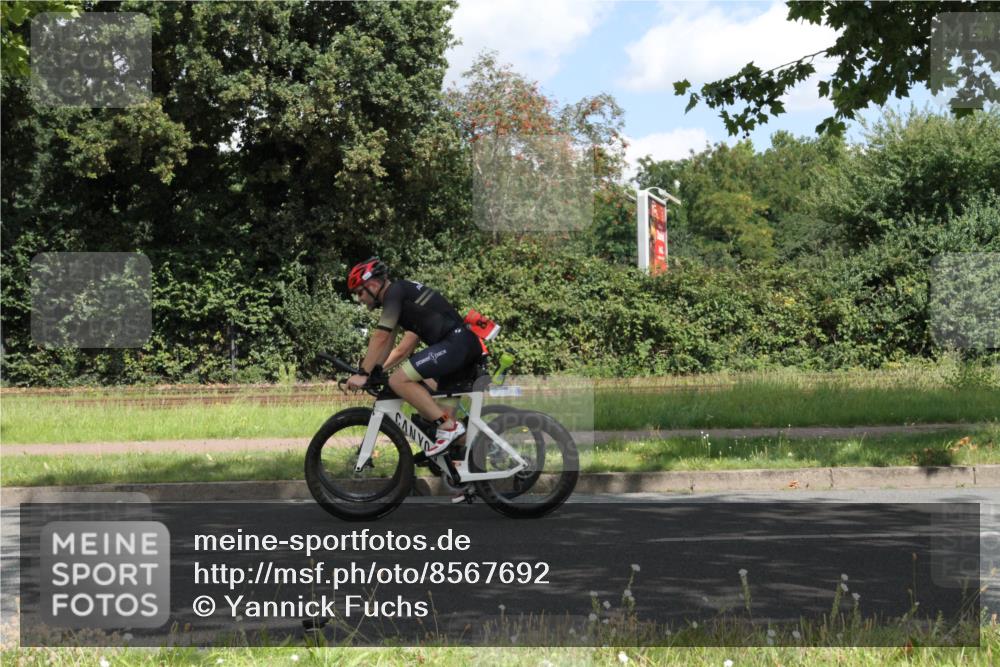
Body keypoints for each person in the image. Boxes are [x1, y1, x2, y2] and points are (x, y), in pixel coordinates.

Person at [344, 257, 484, 456]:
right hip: (459, 349)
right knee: (447, 433)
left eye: (360, 292)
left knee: (398, 380)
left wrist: (363, 373)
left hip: (455, 345)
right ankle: (475, 465)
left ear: (373, 285)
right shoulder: (398, 295)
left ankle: (449, 427)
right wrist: (376, 369)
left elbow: (380, 336)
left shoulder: (394, 292)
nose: (360, 299)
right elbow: (389, 341)